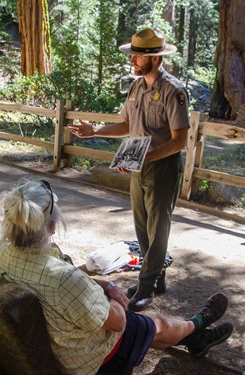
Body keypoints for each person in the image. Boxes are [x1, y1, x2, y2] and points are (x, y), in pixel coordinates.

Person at [0, 180, 232, 375]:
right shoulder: (64, 278)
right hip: (80, 357)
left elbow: (63, 286)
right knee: (157, 324)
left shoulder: (1, 254)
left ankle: (196, 340)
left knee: (145, 330)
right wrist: (115, 299)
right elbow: (118, 323)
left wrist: (105, 285)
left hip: (42, 343)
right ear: (52, 227)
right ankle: (198, 325)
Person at [67, 28, 189, 312]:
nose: (132, 60)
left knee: (158, 228)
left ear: (156, 59)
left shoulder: (174, 91)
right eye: (132, 55)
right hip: (139, 167)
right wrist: (94, 130)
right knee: (142, 226)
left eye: (138, 56)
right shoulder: (135, 88)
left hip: (163, 167)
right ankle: (156, 279)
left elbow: (180, 139)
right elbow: (126, 125)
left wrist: (148, 158)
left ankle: (146, 287)